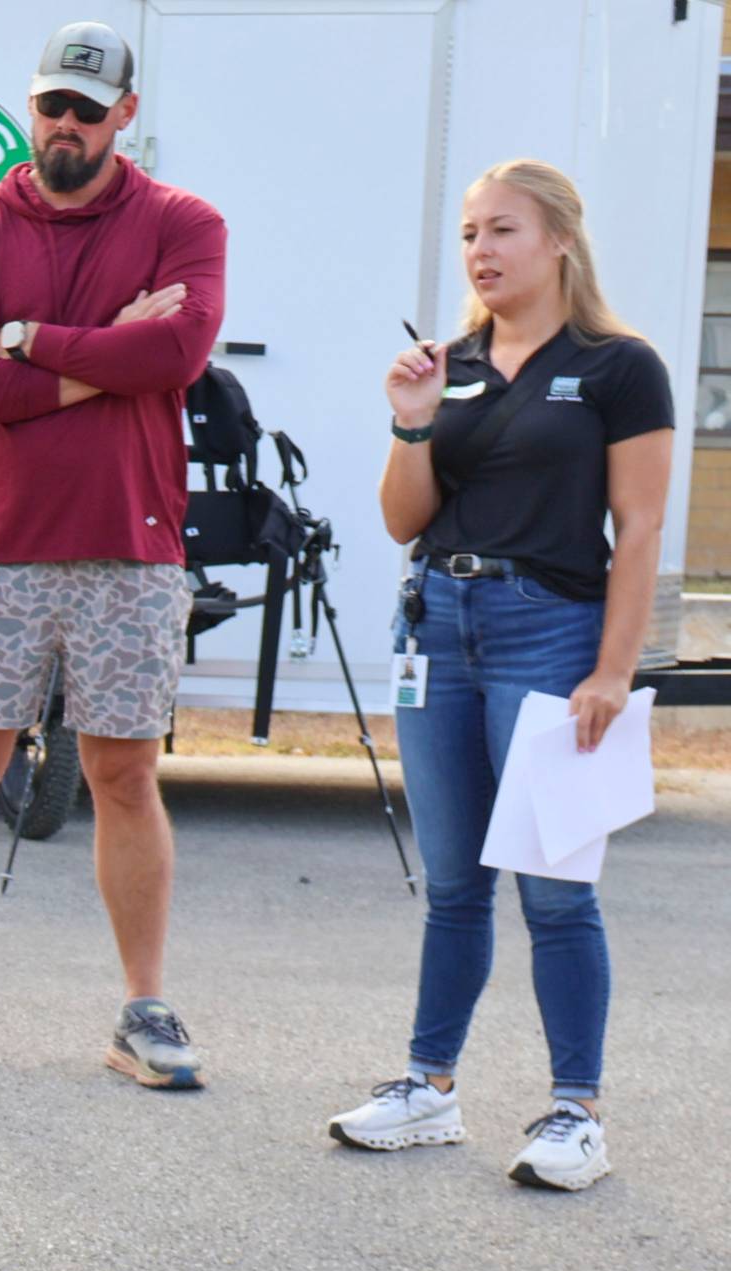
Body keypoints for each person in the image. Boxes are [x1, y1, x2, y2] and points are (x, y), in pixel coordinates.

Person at [0, 22, 225, 1090]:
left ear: (126, 116)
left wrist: (29, 339)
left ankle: (144, 1012)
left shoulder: (183, 223)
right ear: (33, 109)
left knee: (123, 775)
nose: (66, 124)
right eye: (52, 105)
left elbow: (179, 351)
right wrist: (108, 352)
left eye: (88, 108)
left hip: (129, 545)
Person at [327, 161, 670, 1192]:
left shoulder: (620, 366)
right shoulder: (453, 363)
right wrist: (412, 417)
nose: (480, 249)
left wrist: (614, 667)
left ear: (560, 238)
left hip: (548, 634)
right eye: (472, 231)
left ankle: (577, 1111)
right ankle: (430, 1087)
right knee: (453, 886)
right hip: (439, 628)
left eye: (503, 229)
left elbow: (642, 527)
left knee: (557, 893)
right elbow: (401, 519)